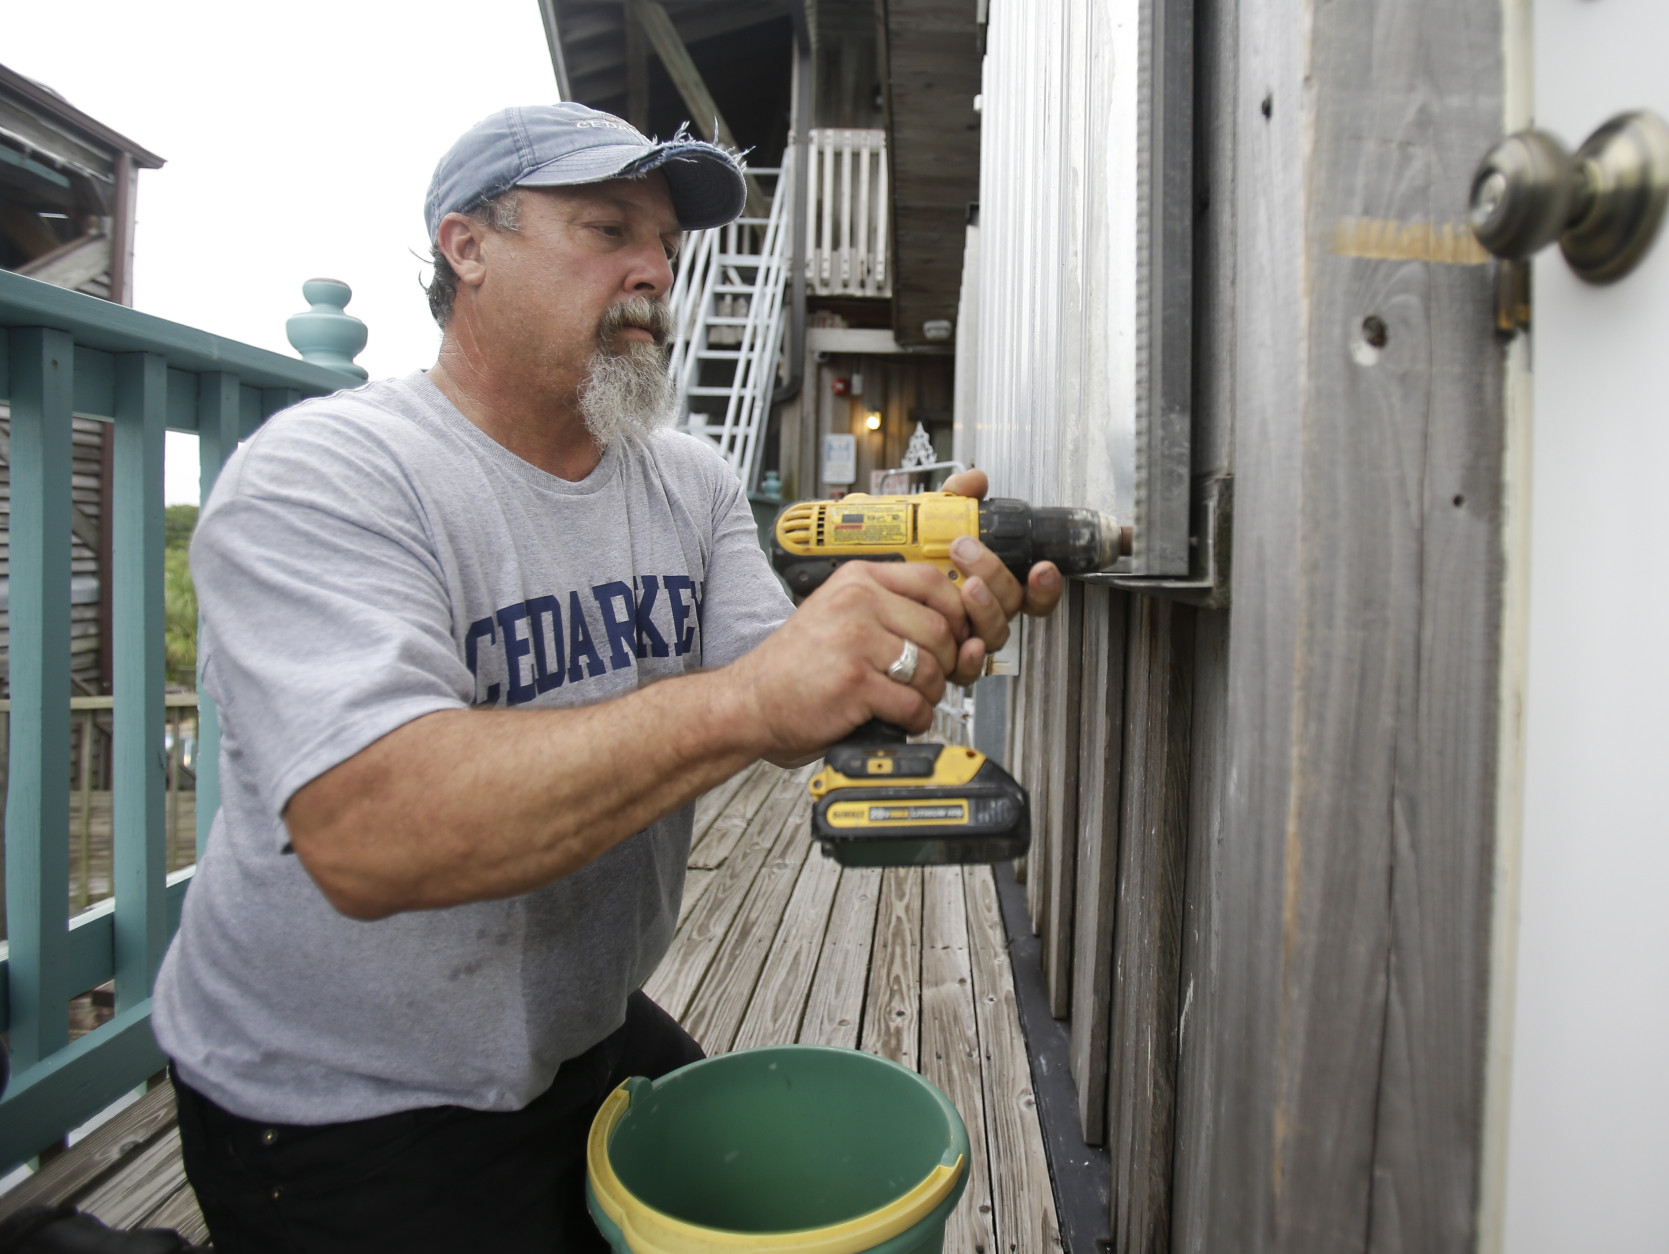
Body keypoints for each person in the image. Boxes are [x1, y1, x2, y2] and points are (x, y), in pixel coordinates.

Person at [150, 102, 1063, 1253]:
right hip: (340, 1095)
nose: (653, 274)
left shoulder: (687, 481)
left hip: (577, 1035)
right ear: (465, 247)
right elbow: (368, 831)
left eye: (667, 249)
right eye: (605, 230)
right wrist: (752, 698)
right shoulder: (330, 476)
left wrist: (887, 628)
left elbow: (776, 700)